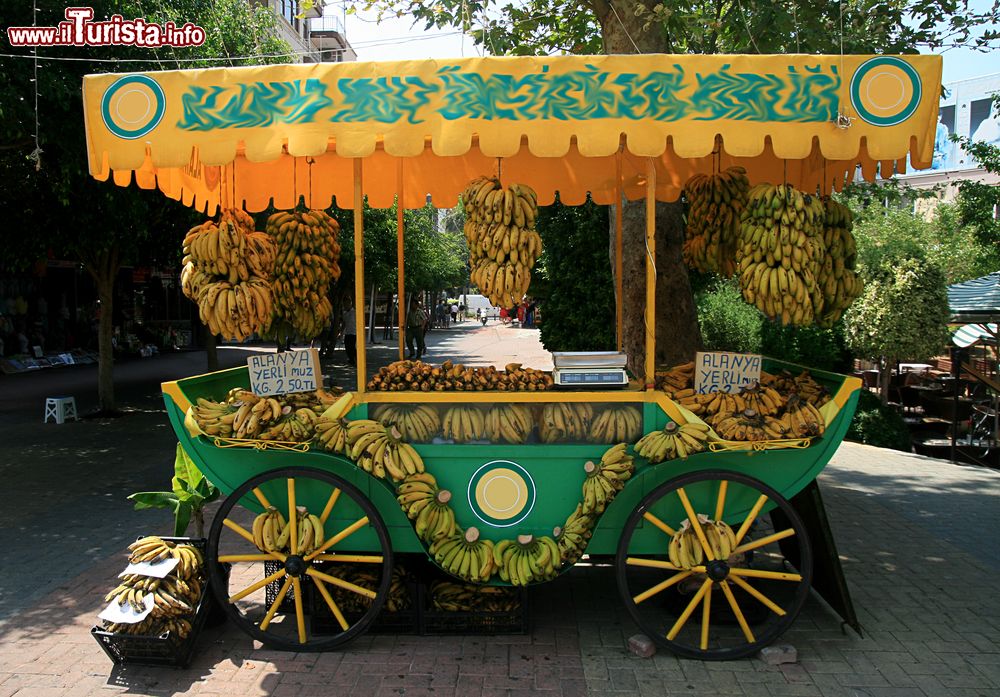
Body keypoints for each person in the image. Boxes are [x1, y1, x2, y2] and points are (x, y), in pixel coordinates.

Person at [343, 299, 357, 367]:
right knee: (347, 346)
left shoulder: (355, 312)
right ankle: (351, 359)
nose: (345, 306)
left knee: (352, 347)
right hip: (347, 332)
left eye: (346, 304)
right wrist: (341, 331)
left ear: (350, 304)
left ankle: (355, 359)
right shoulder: (345, 313)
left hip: (354, 332)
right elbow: (344, 323)